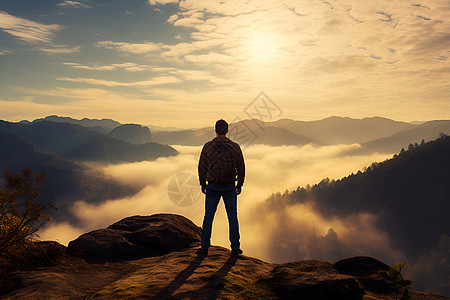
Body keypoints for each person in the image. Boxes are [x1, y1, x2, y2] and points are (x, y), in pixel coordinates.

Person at [198, 119, 245, 255]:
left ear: (215, 130)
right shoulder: (235, 147)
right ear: (227, 131)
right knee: (232, 217)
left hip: (212, 186)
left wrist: (203, 184)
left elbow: (202, 167)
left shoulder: (207, 146)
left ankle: (204, 247)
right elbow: (241, 167)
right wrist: (239, 184)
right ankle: (235, 248)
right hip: (229, 186)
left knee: (208, 216)